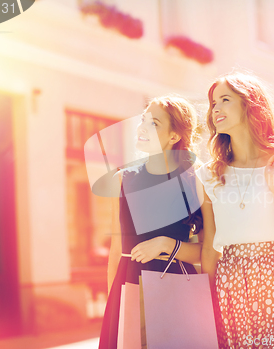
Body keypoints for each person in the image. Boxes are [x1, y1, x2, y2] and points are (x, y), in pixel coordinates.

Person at [196, 71, 274, 348]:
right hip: (230, 281)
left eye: (225, 99)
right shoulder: (208, 174)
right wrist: (207, 304)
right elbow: (209, 247)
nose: (215, 108)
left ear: (249, 105)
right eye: (213, 102)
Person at [98, 95, 203, 349]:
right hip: (129, 284)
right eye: (143, 120)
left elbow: (207, 251)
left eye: (154, 123)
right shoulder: (122, 179)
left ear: (174, 136)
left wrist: (168, 244)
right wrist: (114, 305)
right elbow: (115, 250)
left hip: (177, 286)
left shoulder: (195, 181)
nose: (142, 127)